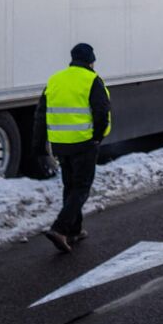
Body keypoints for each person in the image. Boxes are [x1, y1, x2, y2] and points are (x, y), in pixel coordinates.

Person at [32, 43, 111, 253]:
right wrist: (97, 137)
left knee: (70, 186)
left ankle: (75, 230)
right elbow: (102, 111)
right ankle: (60, 228)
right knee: (82, 188)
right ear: (91, 61)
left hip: (60, 144)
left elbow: (40, 115)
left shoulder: (55, 80)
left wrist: (39, 147)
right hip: (84, 143)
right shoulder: (92, 80)